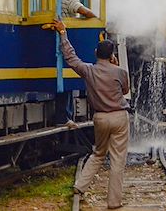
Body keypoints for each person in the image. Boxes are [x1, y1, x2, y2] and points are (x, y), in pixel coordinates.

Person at [51, 18, 128, 210]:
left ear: (96, 53)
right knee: (118, 159)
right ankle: (113, 202)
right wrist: (116, 66)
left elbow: (70, 57)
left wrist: (63, 33)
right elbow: (125, 91)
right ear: (112, 55)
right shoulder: (120, 72)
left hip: (100, 118)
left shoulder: (88, 71)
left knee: (98, 153)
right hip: (119, 117)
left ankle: (80, 185)